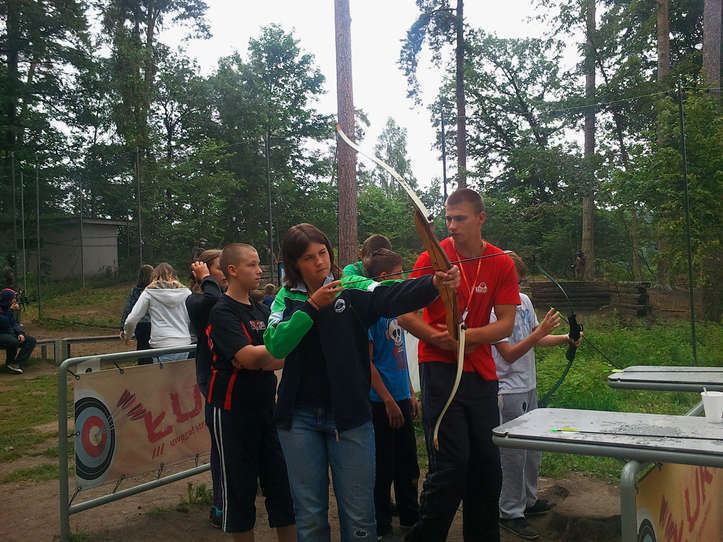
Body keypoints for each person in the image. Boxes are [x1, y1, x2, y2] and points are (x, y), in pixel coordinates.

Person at [263, 223, 460, 542]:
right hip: (299, 417)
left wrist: (433, 283)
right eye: (309, 258)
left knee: (360, 519)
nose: (319, 262)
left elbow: (390, 294)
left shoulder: (351, 286)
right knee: (310, 517)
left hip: (350, 415)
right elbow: (275, 345)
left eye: (323, 253)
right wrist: (311, 308)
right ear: (295, 264)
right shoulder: (286, 298)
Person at [402, 189, 520, 542]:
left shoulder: (500, 262)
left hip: (480, 373)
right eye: (448, 218)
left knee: (487, 466)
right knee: (451, 465)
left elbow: (506, 323)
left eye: (460, 218)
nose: (451, 226)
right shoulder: (431, 257)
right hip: (440, 370)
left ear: (481, 218)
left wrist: (467, 338)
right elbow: (405, 314)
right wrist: (435, 337)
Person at [206, 243, 296, 542]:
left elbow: (268, 358)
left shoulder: (262, 310)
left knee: (282, 489)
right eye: (252, 265)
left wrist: (266, 356)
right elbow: (250, 357)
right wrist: (267, 355)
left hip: (266, 411)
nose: (260, 271)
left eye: (259, 264)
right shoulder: (221, 312)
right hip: (231, 413)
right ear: (232, 270)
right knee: (240, 493)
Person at [491, 253, 582, 541]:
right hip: (507, 390)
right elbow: (508, 354)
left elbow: (536, 338)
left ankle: (528, 502)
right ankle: (510, 511)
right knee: (513, 455)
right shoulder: (491, 309)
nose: (517, 288)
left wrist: (566, 339)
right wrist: (539, 331)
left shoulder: (524, 301)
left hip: (528, 385)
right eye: (513, 283)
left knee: (532, 450)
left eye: (520, 282)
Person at [365, 249, 421, 539]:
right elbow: (368, 362)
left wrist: (409, 392)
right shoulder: (372, 314)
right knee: (383, 465)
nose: (404, 279)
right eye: (400, 273)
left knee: (407, 462)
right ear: (385, 277)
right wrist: (387, 400)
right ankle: (382, 524)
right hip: (381, 403)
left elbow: (400, 358)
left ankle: (410, 516)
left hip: (400, 397)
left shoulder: (399, 311)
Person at [186, 249, 227, 529]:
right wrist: (206, 279)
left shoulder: (231, 297)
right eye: (220, 267)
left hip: (240, 382)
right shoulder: (196, 299)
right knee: (222, 448)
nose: (227, 270)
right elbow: (214, 304)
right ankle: (220, 504)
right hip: (212, 379)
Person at [123, 263, 192, 363]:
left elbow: (132, 319)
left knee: (162, 373)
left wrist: (128, 335)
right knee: (182, 373)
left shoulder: (149, 292)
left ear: (154, 276)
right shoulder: (186, 292)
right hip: (184, 344)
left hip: (160, 344)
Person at [120, 264, 154, 365]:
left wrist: (122, 327)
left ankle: (142, 367)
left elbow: (128, 309)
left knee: (142, 350)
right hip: (154, 324)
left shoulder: (134, 291)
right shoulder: (155, 291)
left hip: (140, 325)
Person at [0, 288, 36, 374]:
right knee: (13, 341)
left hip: (9, 333)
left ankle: (16, 364)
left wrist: (20, 333)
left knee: (31, 340)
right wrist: (10, 310)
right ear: (7, 299)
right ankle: (9, 363)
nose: (15, 300)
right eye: (13, 298)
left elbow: (14, 323)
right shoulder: (5, 309)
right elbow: (3, 323)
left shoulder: (8, 308)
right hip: (1, 333)